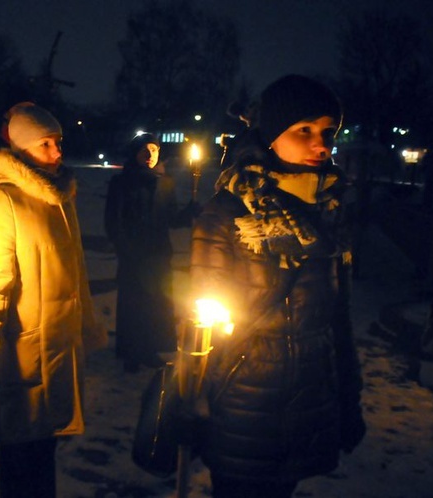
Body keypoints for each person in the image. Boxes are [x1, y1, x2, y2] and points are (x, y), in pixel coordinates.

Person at [189, 74, 366, 497]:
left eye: (327, 132)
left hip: (310, 401)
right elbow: (200, 323)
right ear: (269, 135)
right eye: (303, 130)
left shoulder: (330, 214)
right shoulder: (228, 213)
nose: (320, 144)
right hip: (243, 403)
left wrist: (348, 398)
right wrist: (194, 399)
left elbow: (338, 320)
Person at [0, 102, 107, 497]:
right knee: (21, 452)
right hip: (25, 350)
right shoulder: (2, 200)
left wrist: (85, 324)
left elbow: (77, 276)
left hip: (61, 344)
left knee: (45, 448)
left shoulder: (59, 197)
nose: (58, 152)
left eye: (58, 143)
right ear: (21, 149)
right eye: (46, 144)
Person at [104, 133, 198, 372]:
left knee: (156, 303)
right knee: (134, 303)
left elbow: (170, 219)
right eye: (144, 150)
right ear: (135, 154)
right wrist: (124, 247)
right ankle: (131, 351)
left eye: (154, 150)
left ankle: (151, 348)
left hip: (158, 254)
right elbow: (113, 220)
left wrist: (189, 212)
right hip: (133, 255)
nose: (150, 155)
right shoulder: (121, 182)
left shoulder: (165, 183)